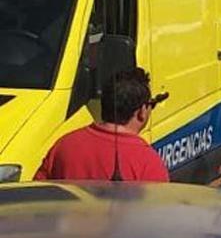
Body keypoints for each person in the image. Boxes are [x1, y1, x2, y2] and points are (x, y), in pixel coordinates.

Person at [35, 68, 169, 182]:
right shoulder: (148, 163)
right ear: (142, 111)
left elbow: (38, 197)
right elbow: (160, 210)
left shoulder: (63, 146)